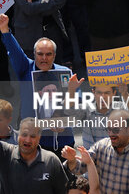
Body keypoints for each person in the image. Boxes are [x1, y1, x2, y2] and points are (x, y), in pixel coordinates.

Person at [0, 14, 74, 154]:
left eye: (48, 54)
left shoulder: (64, 73)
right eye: (40, 54)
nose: (44, 58)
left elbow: (76, 104)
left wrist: (64, 119)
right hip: (33, 142)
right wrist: (4, 29)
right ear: (34, 54)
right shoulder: (26, 68)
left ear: (54, 55)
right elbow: (15, 52)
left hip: (63, 141)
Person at [63, 110, 129, 194]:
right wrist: (72, 160)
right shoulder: (101, 146)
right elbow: (79, 168)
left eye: (116, 130)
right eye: (109, 129)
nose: (111, 134)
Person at [0, 118, 69, 193]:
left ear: (39, 138)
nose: (28, 140)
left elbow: (64, 190)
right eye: (24, 135)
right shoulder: (6, 153)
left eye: (32, 136)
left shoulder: (51, 160)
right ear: (18, 135)